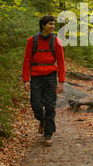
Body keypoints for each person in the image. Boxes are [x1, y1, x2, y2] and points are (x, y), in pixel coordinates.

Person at [22, 15, 65, 146]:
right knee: (36, 105)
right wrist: (26, 79)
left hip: (51, 77)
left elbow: (61, 62)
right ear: (43, 25)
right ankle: (42, 120)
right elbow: (27, 60)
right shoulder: (32, 41)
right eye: (50, 24)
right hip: (36, 77)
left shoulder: (56, 41)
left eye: (53, 24)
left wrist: (61, 81)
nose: (53, 26)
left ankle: (48, 133)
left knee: (50, 106)